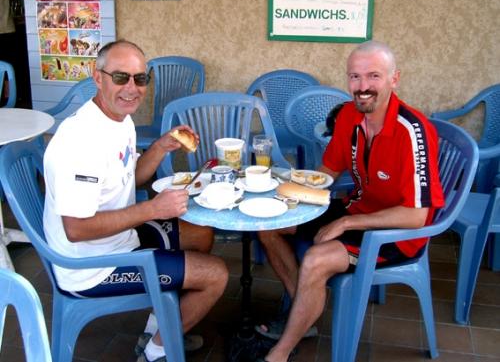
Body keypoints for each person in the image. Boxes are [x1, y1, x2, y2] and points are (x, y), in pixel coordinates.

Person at [254, 40, 444, 362]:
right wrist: (294, 198)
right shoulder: (348, 116)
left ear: (394, 79)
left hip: (395, 231)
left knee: (316, 259)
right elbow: (328, 169)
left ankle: (280, 353)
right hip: (358, 207)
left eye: (373, 76)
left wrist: (346, 222)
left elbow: (416, 216)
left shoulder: (412, 132)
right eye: (355, 77)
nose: (363, 87)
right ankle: (303, 310)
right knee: (269, 226)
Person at [43, 40, 228, 362]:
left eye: (140, 79)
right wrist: (153, 209)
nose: (132, 88)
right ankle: (157, 352)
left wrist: (160, 147)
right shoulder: (80, 141)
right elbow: (76, 229)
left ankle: (157, 325)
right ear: (97, 77)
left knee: (201, 234)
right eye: (120, 77)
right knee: (216, 275)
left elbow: (132, 178)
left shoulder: (119, 120)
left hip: (118, 237)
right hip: (90, 265)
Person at [0, 0, 21, 105]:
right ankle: (6, 99)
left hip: (6, 25)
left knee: (8, 66)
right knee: (6, 65)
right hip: (2, 27)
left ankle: (8, 99)